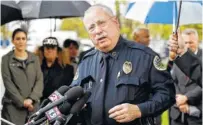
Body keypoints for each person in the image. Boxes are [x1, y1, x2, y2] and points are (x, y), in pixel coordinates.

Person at [71, 4, 175, 125]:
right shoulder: (86, 62)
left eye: (101, 23)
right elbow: (73, 94)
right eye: (91, 28)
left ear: (115, 22)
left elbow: (167, 94)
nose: (98, 31)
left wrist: (139, 110)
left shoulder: (145, 57)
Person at [1, 28, 43, 125]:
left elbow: (39, 80)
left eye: (23, 39)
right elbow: (8, 82)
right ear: (13, 41)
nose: (21, 41)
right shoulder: (6, 59)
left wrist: (31, 99)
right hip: (13, 108)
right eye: (18, 39)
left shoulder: (34, 58)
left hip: (33, 107)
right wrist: (22, 101)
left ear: (26, 40)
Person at [168, 29, 202, 125]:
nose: (188, 45)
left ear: (197, 41)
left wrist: (186, 97)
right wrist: (179, 99)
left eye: (191, 42)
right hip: (177, 113)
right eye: (185, 42)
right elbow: (173, 80)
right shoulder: (178, 58)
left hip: (197, 113)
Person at [40, 37, 74, 101]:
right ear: (43, 51)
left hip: (58, 104)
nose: (50, 50)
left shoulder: (67, 69)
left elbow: (68, 88)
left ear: (57, 52)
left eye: (53, 48)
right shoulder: (36, 67)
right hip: (38, 104)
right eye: (47, 48)